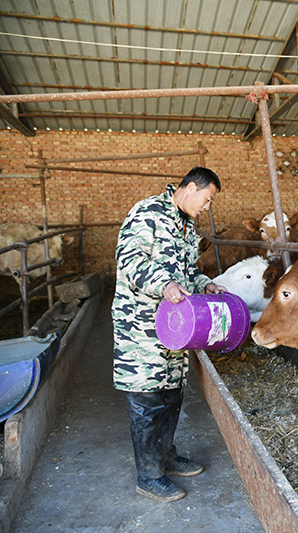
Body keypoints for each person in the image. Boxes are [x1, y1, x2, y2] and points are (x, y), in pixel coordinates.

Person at [112, 166, 226, 502]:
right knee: (147, 398)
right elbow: (128, 259)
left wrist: (206, 284)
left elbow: (188, 270)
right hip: (141, 324)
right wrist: (163, 284)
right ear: (190, 188)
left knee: (171, 392)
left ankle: (165, 455)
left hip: (175, 325)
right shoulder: (148, 212)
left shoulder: (188, 228)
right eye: (207, 199)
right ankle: (148, 476)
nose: (207, 207)